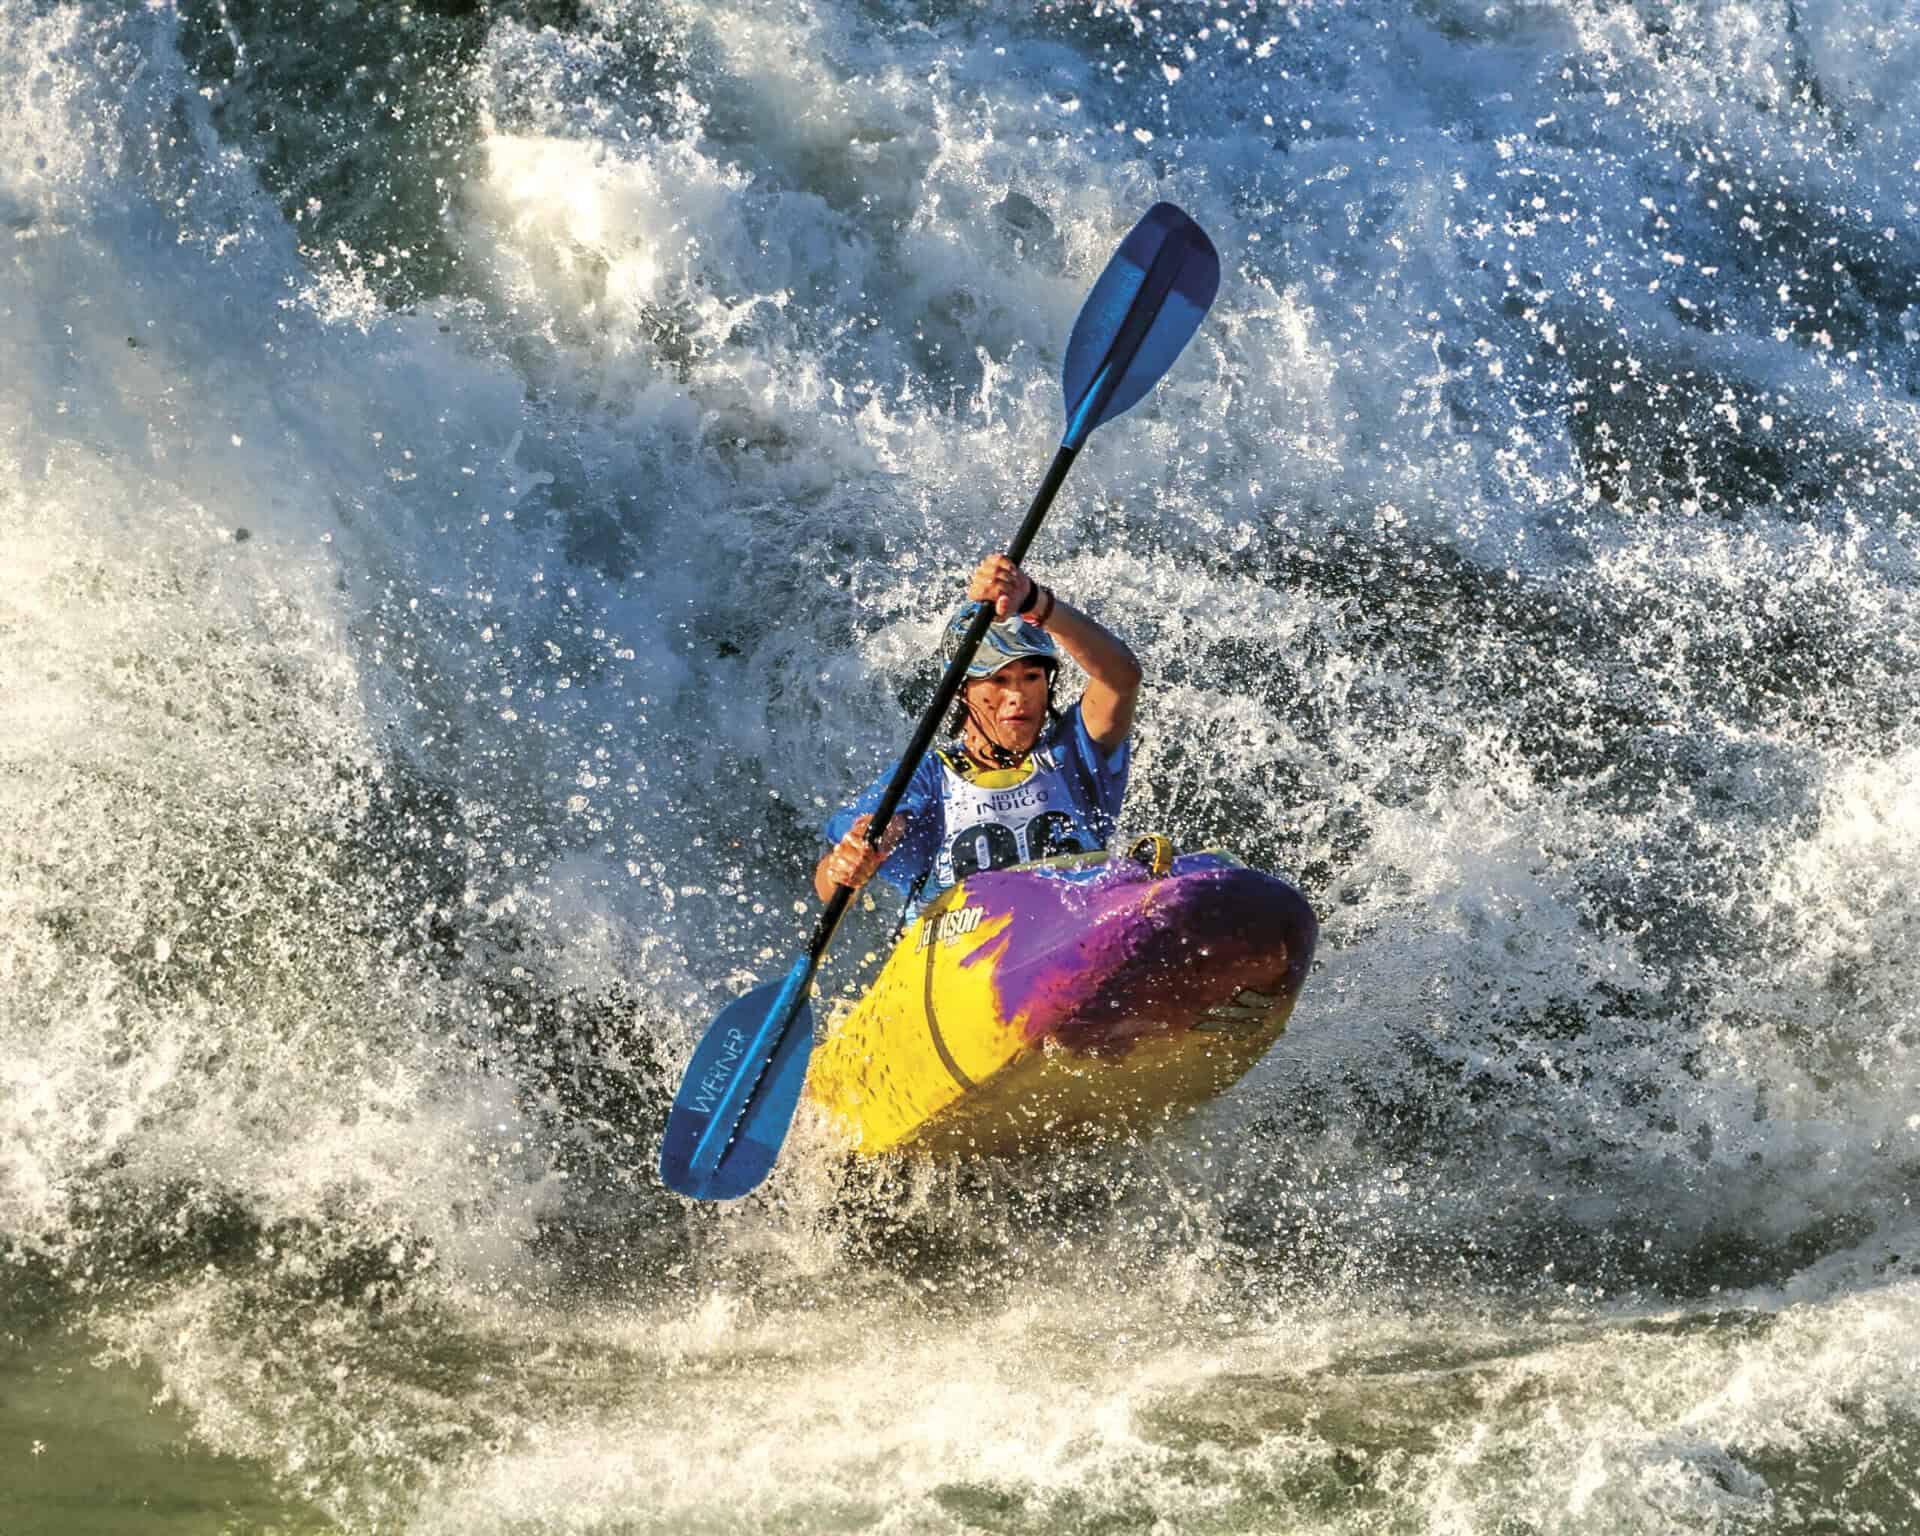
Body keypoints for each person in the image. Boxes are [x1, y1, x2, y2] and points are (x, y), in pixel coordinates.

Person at [814, 553, 1142, 904]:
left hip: (1077, 936)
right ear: (961, 691)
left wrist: (1036, 601)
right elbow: (830, 882)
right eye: (998, 680)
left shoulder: (1073, 756)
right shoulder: (929, 777)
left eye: (1032, 677)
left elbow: (1122, 679)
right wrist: (854, 859)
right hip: (968, 951)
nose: (1018, 696)